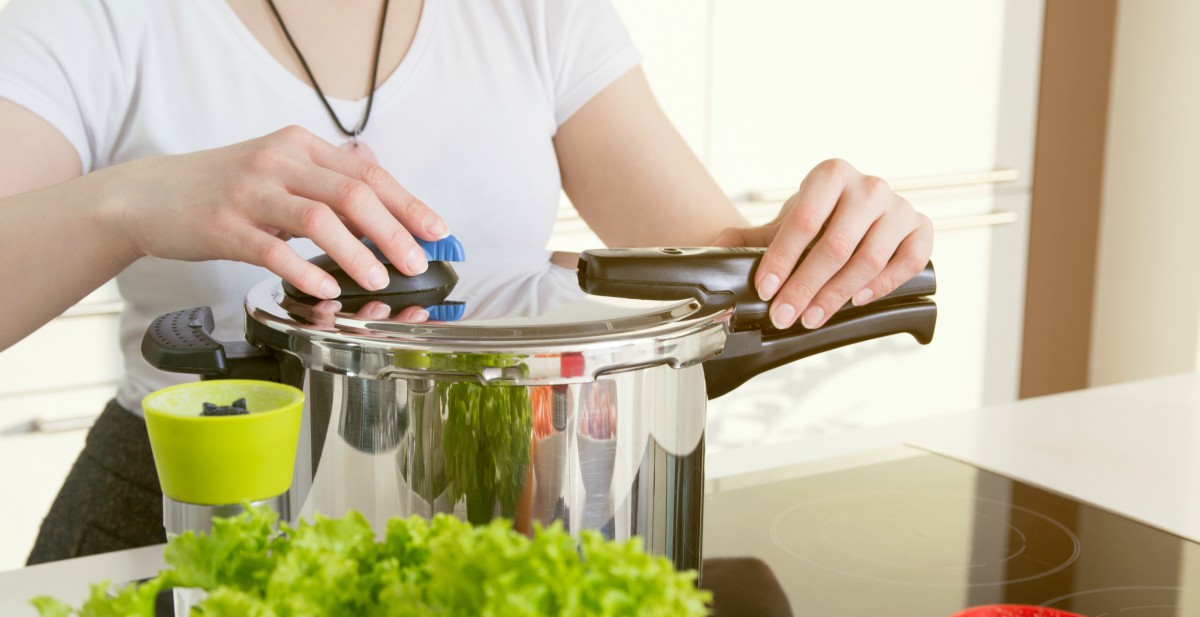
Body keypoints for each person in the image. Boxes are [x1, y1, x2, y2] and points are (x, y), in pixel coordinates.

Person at [0, 0, 933, 563]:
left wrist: (832, 242)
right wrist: (125, 200)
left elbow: (715, 269)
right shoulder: (90, 14)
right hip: (192, 510)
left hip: (500, 513)